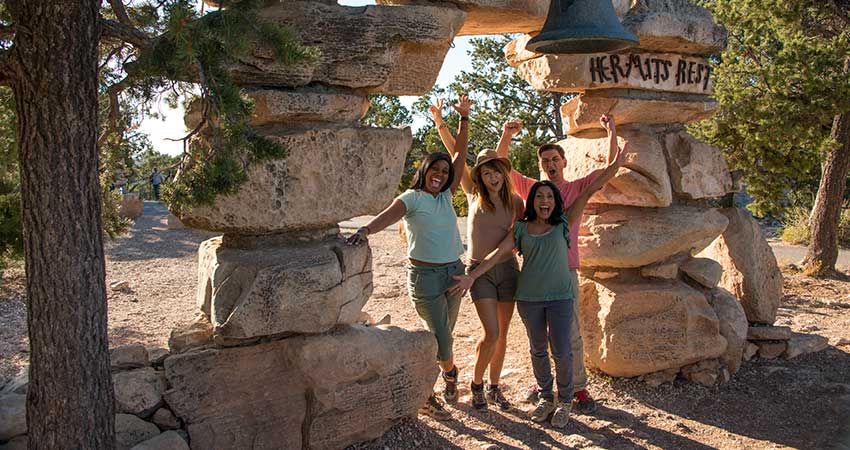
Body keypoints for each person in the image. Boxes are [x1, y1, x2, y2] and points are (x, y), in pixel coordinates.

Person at [450, 144, 624, 428]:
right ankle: (546, 396)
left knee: (562, 349)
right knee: (537, 349)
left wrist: (616, 160)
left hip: (559, 297)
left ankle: (565, 399)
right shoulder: (521, 228)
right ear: (532, 202)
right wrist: (473, 275)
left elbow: (591, 188)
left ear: (556, 202)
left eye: (549, 197)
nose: (544, 200)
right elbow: (496, 255)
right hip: (529, 297)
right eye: (539, 196)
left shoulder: (564, 222)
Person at [346, 96, 471, 421]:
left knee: (443, 334)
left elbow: (460, 155)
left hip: (455, 274)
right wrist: (365, 230)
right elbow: (388, 216)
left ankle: (438, 379)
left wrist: (464, 119)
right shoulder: (412, 198)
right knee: (440, 338)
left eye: (445, 172)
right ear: (424, 170)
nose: (441, 174)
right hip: (425, 278)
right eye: (435, 169)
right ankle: (442, 380)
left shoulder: (445, 197)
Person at [496, 115, 625, 414]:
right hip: (535, 273)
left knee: (569, 334)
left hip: (566, 270)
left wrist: (611, 132)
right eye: (545, 161)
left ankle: (578, 387)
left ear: (564, 162)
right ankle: (544, 387)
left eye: (555, 159)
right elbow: (500, 167)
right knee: (537, 336)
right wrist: (507, 135)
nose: (550, 164)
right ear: (540, 165)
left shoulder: (575, 189)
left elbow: (607, 172)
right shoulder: (531, 189)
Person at [430, 106, 524, 411]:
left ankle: (494, 387)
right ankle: (477, 383)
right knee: (491, 332)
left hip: (508, 269)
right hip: (478, 271)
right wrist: (442, 122)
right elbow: (456, 151)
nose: (491, 175)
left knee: (502, 335)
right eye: (485, 171)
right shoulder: (473, 193)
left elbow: (496, 159)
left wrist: (506, 138)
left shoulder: (516, 202)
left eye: (496, 170)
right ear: (479, 175)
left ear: (503, 173)